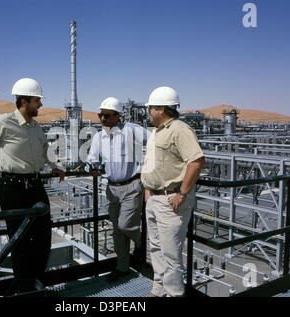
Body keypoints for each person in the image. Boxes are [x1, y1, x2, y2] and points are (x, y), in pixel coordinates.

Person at [0, 78, 65, 293]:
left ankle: (37, 280)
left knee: (44, 237)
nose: (40, 105)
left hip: (34, 184)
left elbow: (45, 151)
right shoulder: (3, 122)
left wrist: (56, 166)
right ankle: (25, 288)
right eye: (37, 101)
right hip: (12, 187)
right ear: (24, 102)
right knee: (20, 240)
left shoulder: (36, 127)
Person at [141, 86, 205, 297]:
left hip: (171, 200)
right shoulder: (157, 132)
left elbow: (196, 161)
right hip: (155, 198)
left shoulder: (179, 130)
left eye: (151, 108)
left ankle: (175, 293)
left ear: (161, 109)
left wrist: (183, 193)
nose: (148, 112)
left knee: (171, 254)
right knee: (156, 249)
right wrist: (149, 189)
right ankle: (159, 289)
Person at [86, 97, 149, 282]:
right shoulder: (99, 137)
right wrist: (92, 167)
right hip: (112, 189)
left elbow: (155, 141)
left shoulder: (131, 130)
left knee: (125, 225)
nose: (102, 119)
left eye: (106, 115)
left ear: (117, 116)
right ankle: (122, 268)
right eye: (101, 115)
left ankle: (140, 242)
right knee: (117, 231)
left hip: (132, 185)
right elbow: (92, 158)